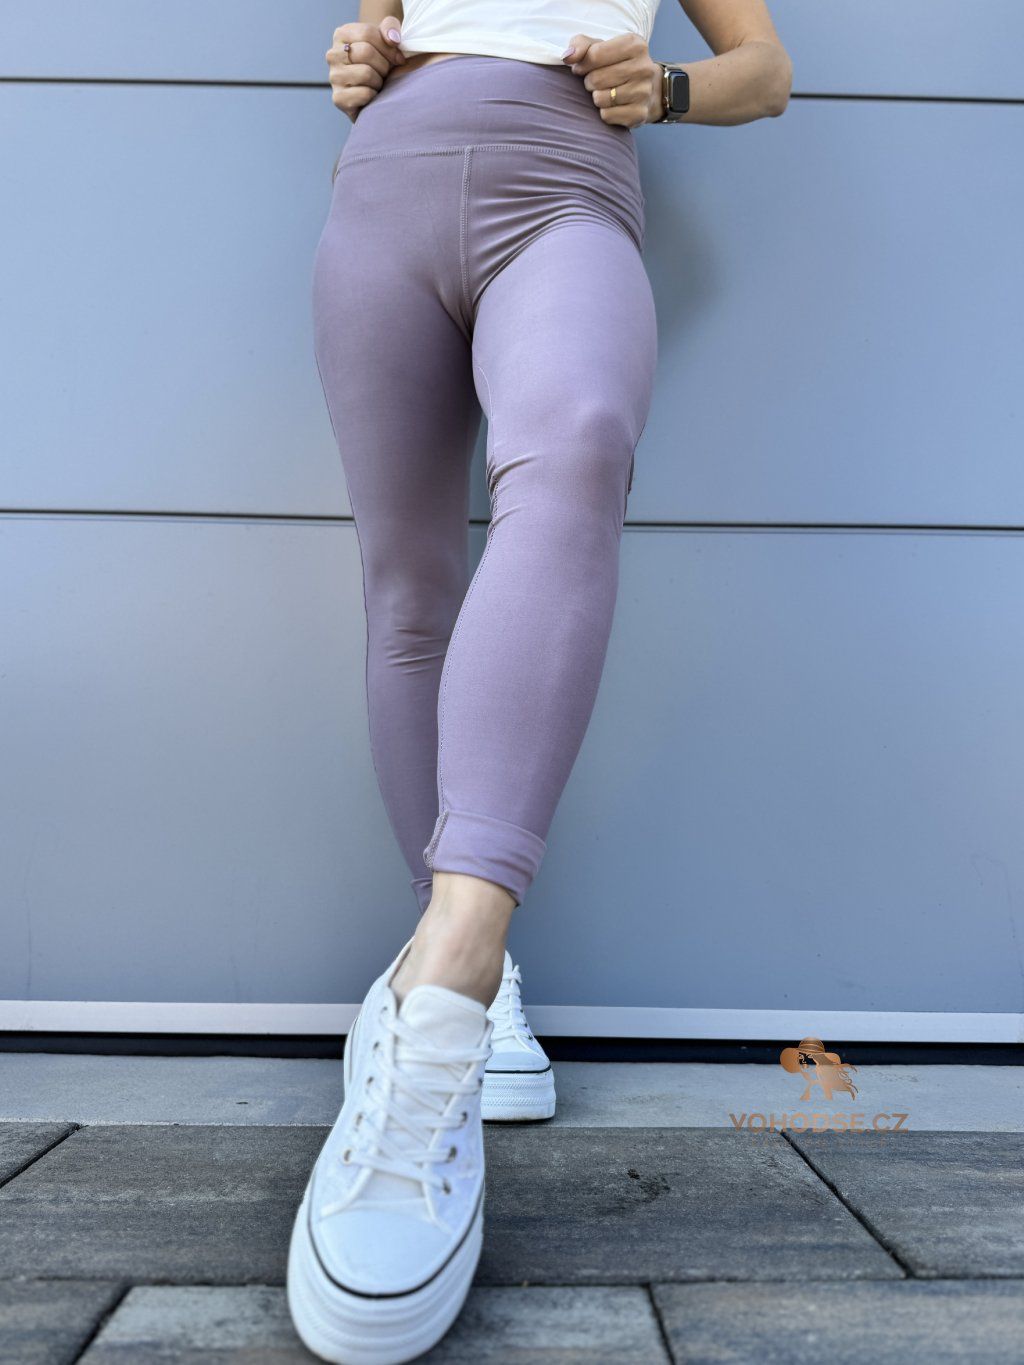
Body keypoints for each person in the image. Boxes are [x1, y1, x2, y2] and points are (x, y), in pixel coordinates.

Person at [287, 2, 792, 1360]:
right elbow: (375, 34)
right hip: (383, 194)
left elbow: (765, 72)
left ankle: (446, 989)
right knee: (408, 586)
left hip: (565, 186)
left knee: (576, 448)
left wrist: (666, 90)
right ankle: (470, 974)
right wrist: (357, 56)